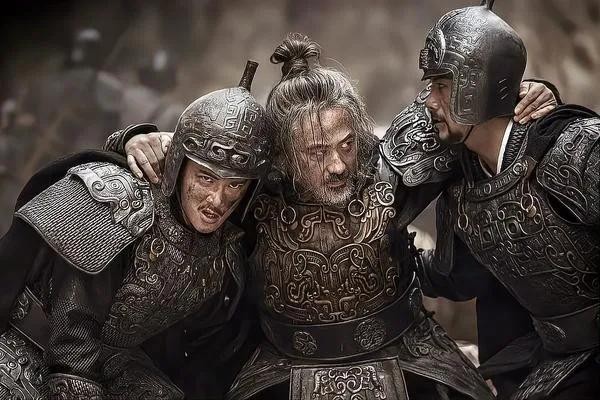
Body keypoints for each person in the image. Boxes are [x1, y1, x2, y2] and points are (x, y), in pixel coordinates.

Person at [121, 34, 556, 400]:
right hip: (283, 368)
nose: (337, 165)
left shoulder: (393, 167)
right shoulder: (250, 194)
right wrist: (136, 140)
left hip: (409, 355)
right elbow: (191, 170)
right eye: (316, 152)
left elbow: (468, 115)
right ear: (284, 157)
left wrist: (524, 95)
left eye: (346, 145)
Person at [0, 60, 272, 399]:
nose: (217, 200)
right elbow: (72, 334)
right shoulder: (118, 200)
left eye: (234, 185)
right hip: (24, 348)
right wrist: (130, 139)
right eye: (206, 178)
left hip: (112, 366)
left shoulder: (226, 251)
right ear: (179, 164)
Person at [382, 1, 599, 399]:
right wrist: (387, 255)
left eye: (442, 85)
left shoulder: (575, 150)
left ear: (477, 87)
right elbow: (459, 275)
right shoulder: (464, 190)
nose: (429, 101)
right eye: (430, 85)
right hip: (556, 360)